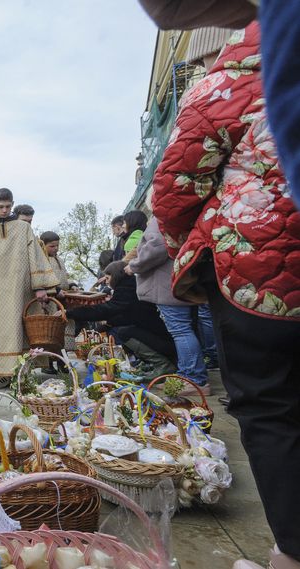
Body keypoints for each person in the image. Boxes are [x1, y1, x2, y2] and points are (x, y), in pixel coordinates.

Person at [148, 23, 300, 569]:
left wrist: (189, 248)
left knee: (268, 406)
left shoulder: (228, 82)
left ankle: (291, 552)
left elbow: (173, 190)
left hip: (255, 274)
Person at [0, 189, 57, 389]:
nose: (4, 210)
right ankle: (0, 376)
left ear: (12, 204)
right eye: (1, 207)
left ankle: (22, 375)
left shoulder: (23, 228)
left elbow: (35, 255)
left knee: (22, 331)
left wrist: (40, 287)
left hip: (21, 288)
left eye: (8, 206)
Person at [126, 216, 211, 391]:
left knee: (180, 330)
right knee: (186, 329)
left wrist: (134, 265)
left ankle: (193, 379)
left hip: (167, 285)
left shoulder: (162, 218)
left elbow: (156, 247)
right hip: (180, 281)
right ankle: (189, 374)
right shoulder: (181, 216)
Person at [67, 261, 177, 378]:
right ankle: (151, 362)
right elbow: (128, 316)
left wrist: (72, 312)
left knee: (125, 333)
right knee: (124, 331)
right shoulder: (130, 285)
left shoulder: (127, 288)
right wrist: (108, 323)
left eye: (108, 278)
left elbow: (106, 310)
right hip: (161, 336)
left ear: (116, 276)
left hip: (164, 341)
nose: (106, 281)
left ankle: (162, 364)